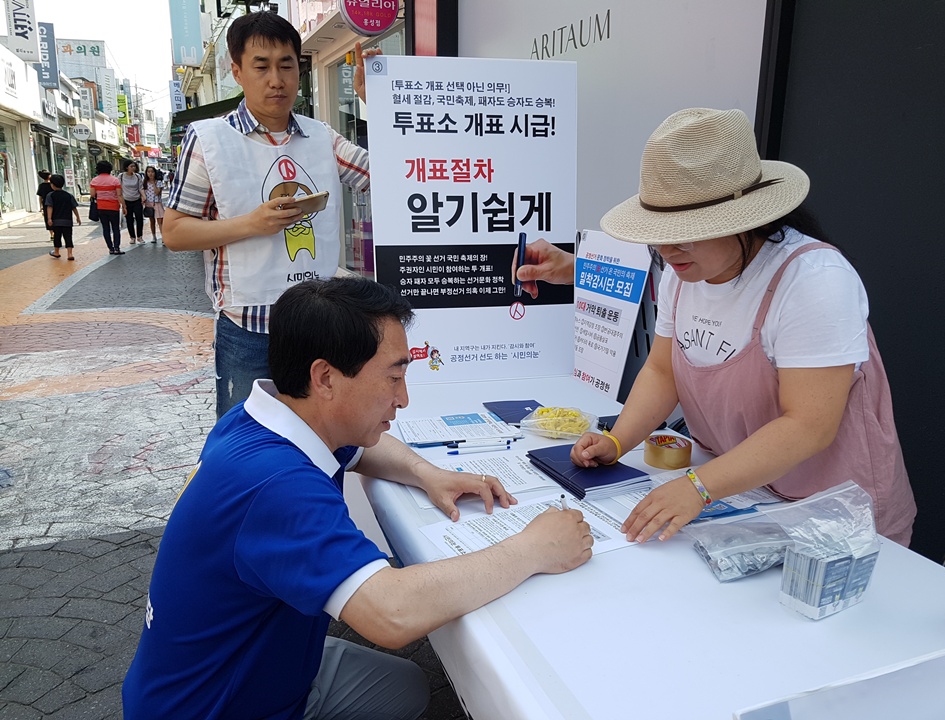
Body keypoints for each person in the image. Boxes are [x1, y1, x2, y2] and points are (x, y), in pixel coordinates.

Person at [122, 276, 593, 719]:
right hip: (216, 706)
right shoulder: (275, 485)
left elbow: (362, 447)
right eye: (393, 377)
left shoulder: (264, 419)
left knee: (406, 688)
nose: (403, 398)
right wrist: (533, 549)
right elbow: (392, 613)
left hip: (247, 661)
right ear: (325, 378)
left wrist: (429, 474)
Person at [569, 107, 916, 546]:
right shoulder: (682, 273)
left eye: (684, 231)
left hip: (835, 515)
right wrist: (617, 441)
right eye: (658, 230)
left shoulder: (815, 280)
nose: (666, 248)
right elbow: (662, 371)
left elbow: (809, 424)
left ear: (744, 219)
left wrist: (698, 487)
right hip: (744, 494)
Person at [164, 12, 374, 418]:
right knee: (247, 445)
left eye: (286, 65)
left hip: (317, 326)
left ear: (300, 68)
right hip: (249, 329)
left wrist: (376, 104)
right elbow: (174, 232)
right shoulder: (209, 139)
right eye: (261, 66)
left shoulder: (321, 136)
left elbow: (388, 177)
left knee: (322, 438)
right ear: (237, 71)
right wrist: (252, 224)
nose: (276, 80)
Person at [90, 160, 126, 255]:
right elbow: (119, 195)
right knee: (116, 228)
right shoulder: (115, 180)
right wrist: (124, 206)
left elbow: (93, 194)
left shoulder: (94, 180)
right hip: (114, 207)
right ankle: (117, 248)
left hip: (101, 207)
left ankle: (110, 248)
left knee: (106, 228)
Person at [44, 174, 81, 260]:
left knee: (57, 236)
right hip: (68, 221)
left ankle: (56, 252)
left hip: (56, 221)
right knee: (68, 237)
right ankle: (70, 254)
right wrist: (78, 217)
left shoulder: (50, 195)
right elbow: (74, 207)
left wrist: (49, 218)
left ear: (52, 185)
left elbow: (50, 207)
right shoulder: (68, 195)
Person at [121, 160, 145, 244]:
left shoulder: (137, 176)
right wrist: (121, 202)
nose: (133, 168)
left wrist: (143, 196)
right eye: (131, 166)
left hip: (137, 200)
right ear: (127, 167)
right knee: (129, 219)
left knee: (139, 218)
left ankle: (140, 236)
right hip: (126, 201)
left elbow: (140, 188)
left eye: (134, 166)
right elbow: (119, 190)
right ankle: (132, 237)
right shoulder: (121, 176)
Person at [142, 166, 165, 243]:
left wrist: (153, 183)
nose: (150, 174)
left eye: (152, 172)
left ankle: (163, 238)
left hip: (157, 203)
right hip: (149, 203)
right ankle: (154, 236)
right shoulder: (144, 182)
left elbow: (157, 192)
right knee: (152, 221)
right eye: (148, 172)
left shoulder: (159, 182)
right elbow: (142, 192)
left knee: (160, 221)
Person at [36, 170, 54, 240]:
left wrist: (41, 206)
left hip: (45, 204)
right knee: (54, 217)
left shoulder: (41, 186)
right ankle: (55, 233)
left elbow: (40, 197)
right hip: (54, 204)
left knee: (47, 219)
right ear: (49, 176)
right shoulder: (52, 185)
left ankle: (52, 234)